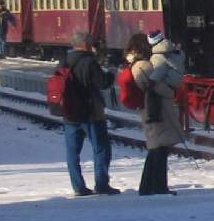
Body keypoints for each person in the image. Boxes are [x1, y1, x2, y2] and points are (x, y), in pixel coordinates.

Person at [63, 30, 118, 196]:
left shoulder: (64, 61)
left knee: (72, 153)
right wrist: (111, 73)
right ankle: (101, 184)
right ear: (86, 45)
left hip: (69, 113)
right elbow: (103, 83)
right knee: (101, 148)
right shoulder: (89, 62)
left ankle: (78, 187)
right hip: (91, 112)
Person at [128, 32, 184, 195]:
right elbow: (153, 86)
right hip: (157, 109)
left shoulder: (145, 63)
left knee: (157, 147)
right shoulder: (144, 66)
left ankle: (148, 187)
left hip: (155, 108)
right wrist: (169, 91)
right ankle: (157, 186)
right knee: (159, 148)